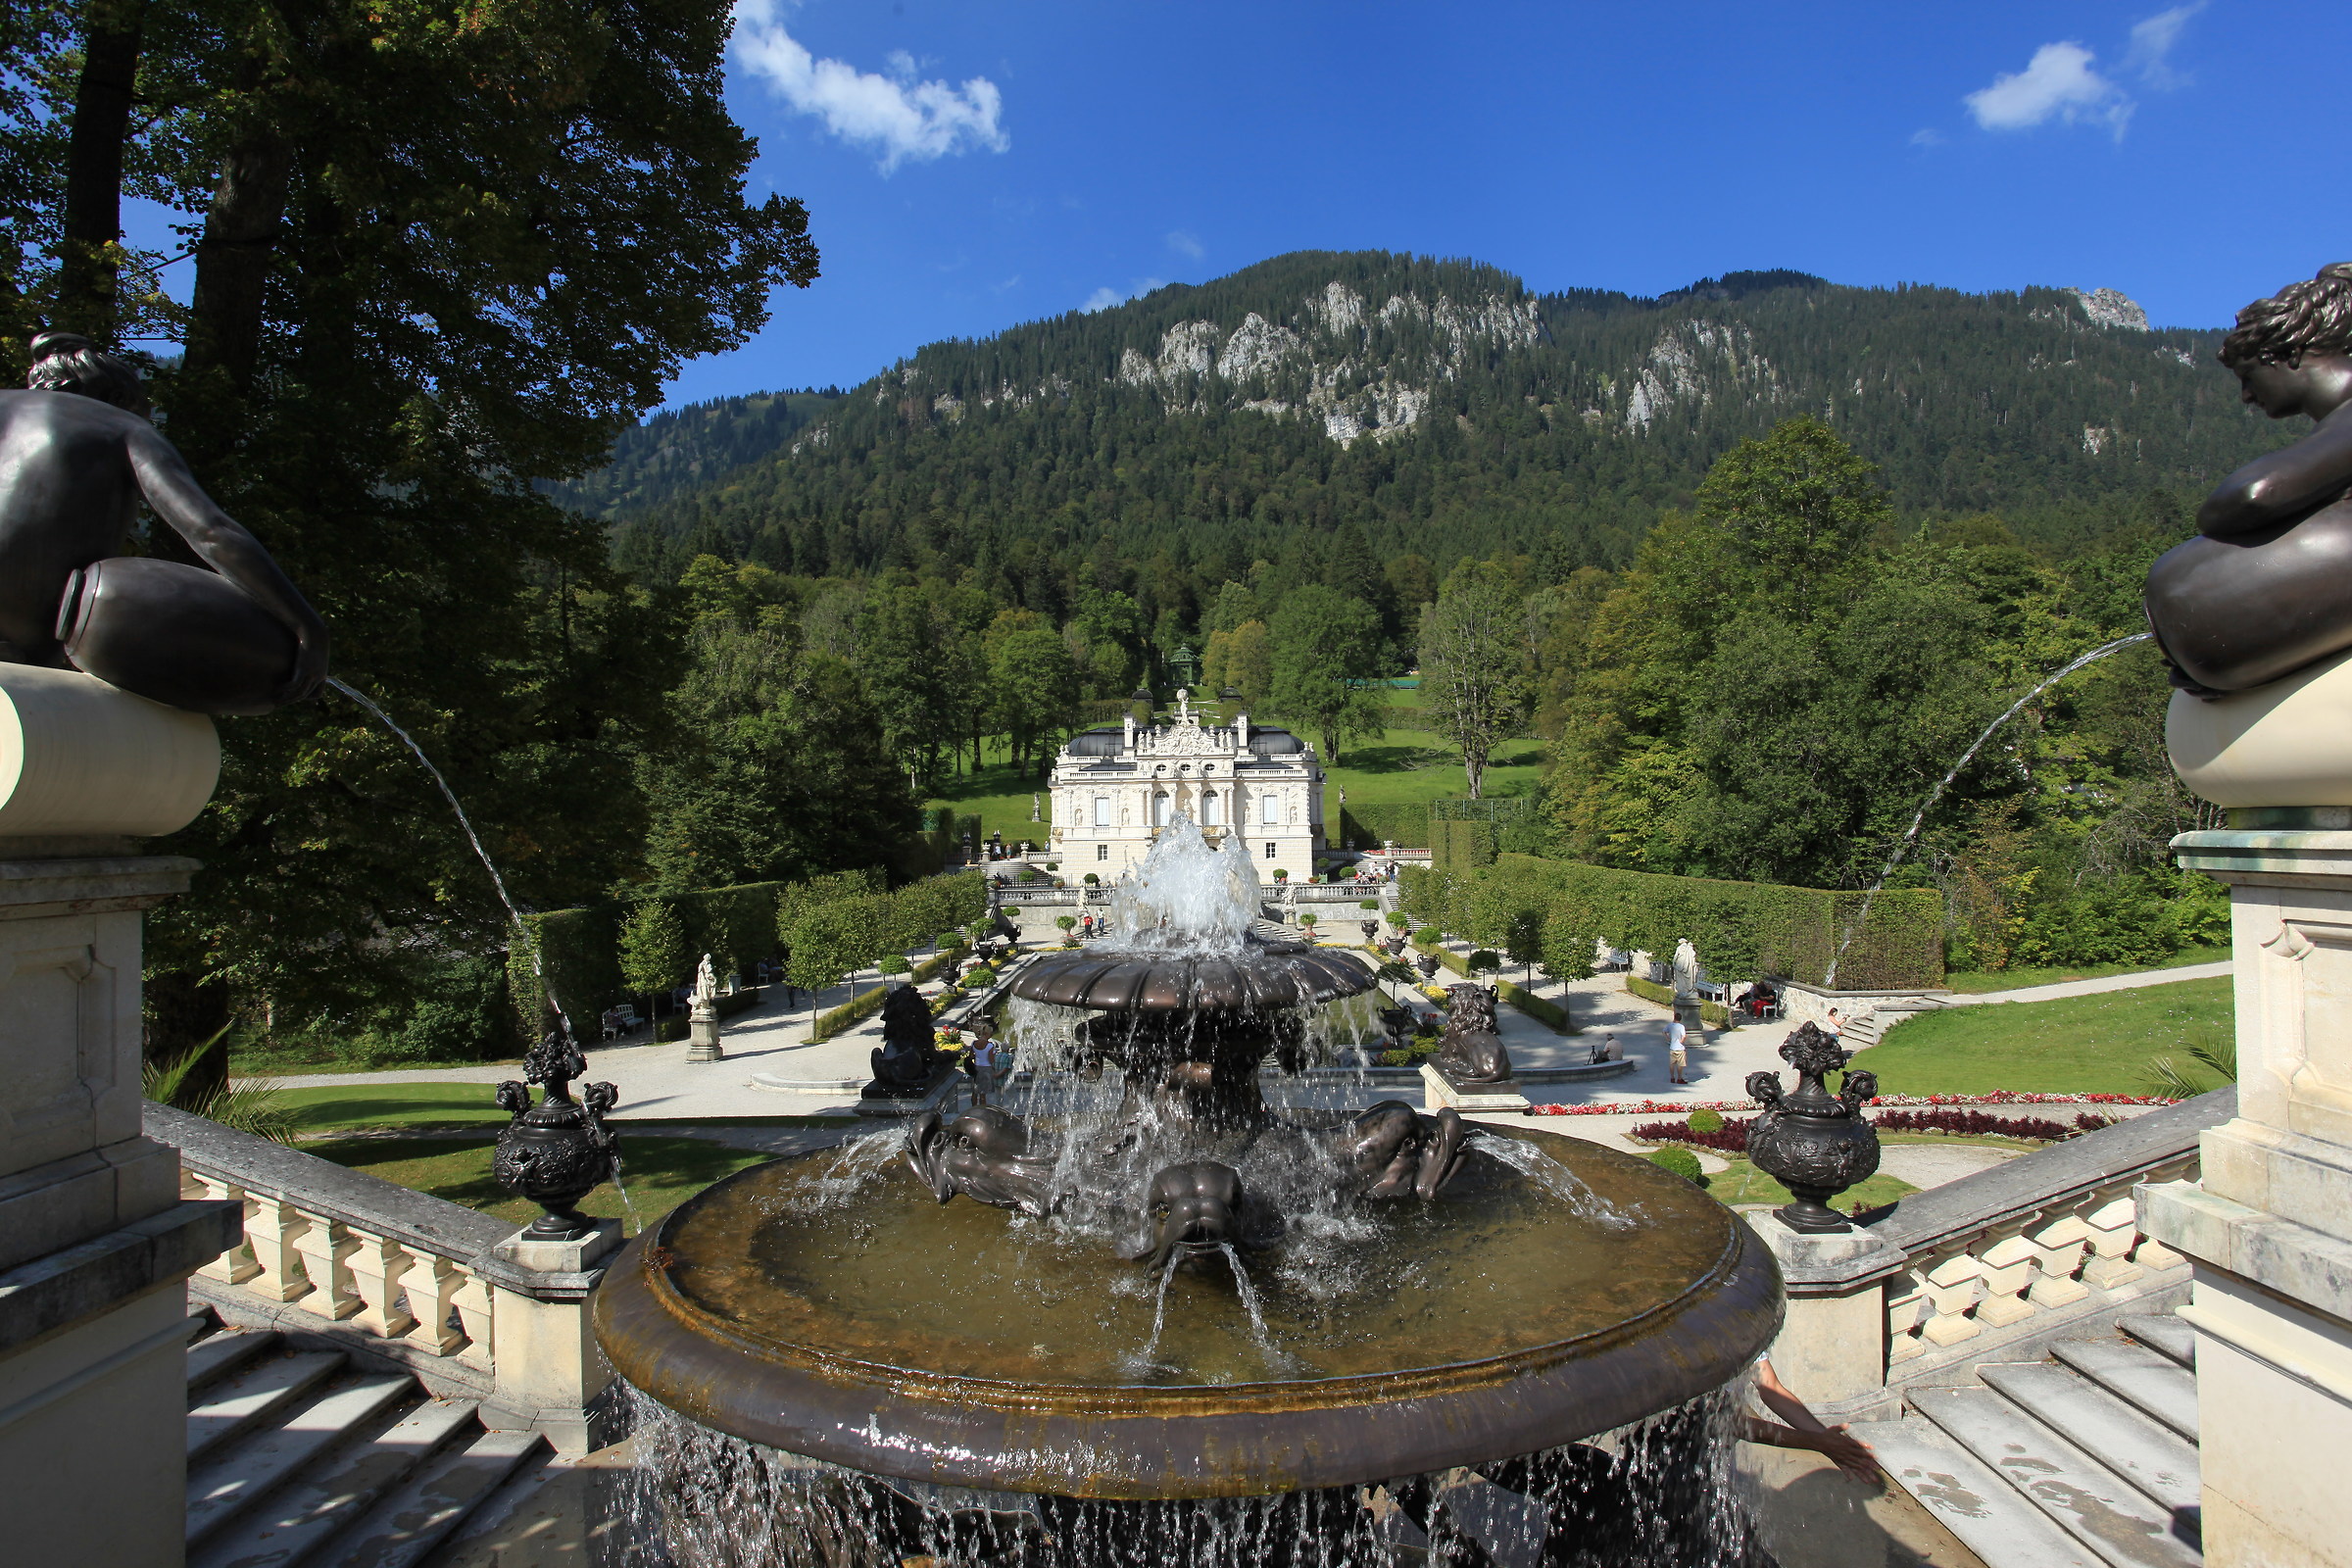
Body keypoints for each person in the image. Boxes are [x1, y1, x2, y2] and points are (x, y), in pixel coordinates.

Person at [0, 332, 327, 698]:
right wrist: (304, 624)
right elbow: (210, 531)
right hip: (34, 622)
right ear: (122, 399)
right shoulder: (122, 426)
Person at [1745, 1356, 1883, 1484]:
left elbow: (1771, 1388)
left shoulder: (1741, 1334)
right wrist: (1817, 1442)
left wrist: (1828, 1439)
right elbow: (1735, 1425)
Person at [1666, 1014, 1689, 1085]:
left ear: (1674, 1018)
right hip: (1680, 1048)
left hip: (1672, 1047)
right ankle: (1679, 1078)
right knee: (1680, 1064)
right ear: (1680, 1019)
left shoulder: (1670, 1025)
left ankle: (1672, 1077)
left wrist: (1668, 1038)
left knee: (1672, 1064)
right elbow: (1684, 1036)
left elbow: (1664, 1031)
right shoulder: (1681, 1027)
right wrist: (1681, 1041)